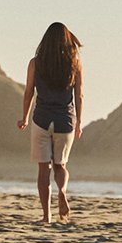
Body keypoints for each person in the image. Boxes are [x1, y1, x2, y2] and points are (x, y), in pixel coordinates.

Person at [17, 22, 85, 223]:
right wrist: (79, 121)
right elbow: (79, 94)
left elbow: (29, 91)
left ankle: (46, 216)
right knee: (60, 165)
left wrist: (25, 117)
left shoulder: (35, 63)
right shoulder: (75, 62)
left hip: (42, 119)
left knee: (43, 168)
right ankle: (62, 192)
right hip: (65, 120)